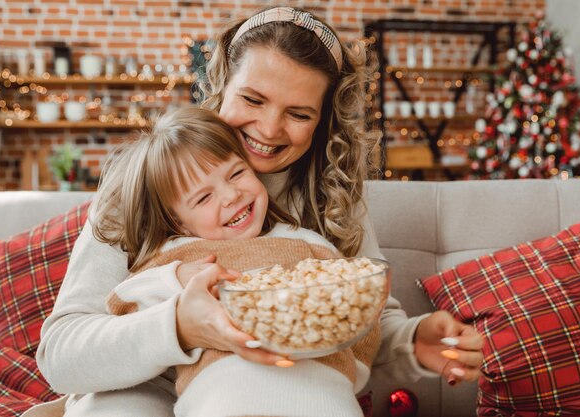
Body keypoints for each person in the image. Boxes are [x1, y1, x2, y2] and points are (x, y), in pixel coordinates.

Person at [30, 6, 483, 417]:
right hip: (140, 378)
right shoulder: (145, 181)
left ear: (324, 119)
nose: (268, 129)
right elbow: (62, 352)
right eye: (252, 99)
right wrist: (179, 328)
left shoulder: (335, 196)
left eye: (299, 114)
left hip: (260, 374)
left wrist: (413, 342)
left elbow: (360, 316)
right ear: (221, 83)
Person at [102, 106, 382, 417]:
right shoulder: (180, 255)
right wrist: (176, 278)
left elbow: (361, 316)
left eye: (236, 173)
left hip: (324, 394)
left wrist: (348, 372)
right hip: (225, 396)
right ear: (179, 222)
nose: (231, 195)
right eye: (203, 198)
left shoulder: (305, 242)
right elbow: (122, 303)